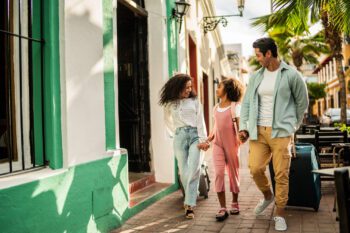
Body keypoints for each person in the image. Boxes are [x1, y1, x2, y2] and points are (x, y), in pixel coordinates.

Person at [239, 38, 308, 231]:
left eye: (259, 55)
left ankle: (280, 214)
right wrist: (243, 127)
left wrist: (292, 126)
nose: (257, 59)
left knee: (281, 174)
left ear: (269, 54)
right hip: (258, 131)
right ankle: (268, 196)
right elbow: (246, 104)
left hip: (281, 132)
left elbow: (302, 104)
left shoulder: (291, 75)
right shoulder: (256, 77)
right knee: (254, 168)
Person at [159, 73, 209, 219]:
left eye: (190, 87)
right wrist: (174, 133)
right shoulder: (170, 103)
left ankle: (189, 205)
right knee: (183, 171)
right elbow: (167, 120)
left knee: (194, 169)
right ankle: (192, 192)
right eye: (186, 87)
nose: (189, 90)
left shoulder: (194, 101)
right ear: (178, 87)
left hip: (195, 137)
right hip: (179, 137)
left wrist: (203, 139)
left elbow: (200, 121)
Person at [207, 78, 244, 221]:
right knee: (218, 174)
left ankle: (234, 202)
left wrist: (243, 137)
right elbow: (216, 127)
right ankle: (222, 207)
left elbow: (240, 129)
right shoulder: (215, 108)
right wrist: (209, 138)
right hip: (217, 145)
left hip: (232, 145)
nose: (217, 89)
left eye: (219, 86)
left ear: (227, 90)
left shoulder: (235, 107)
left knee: (233, 174)